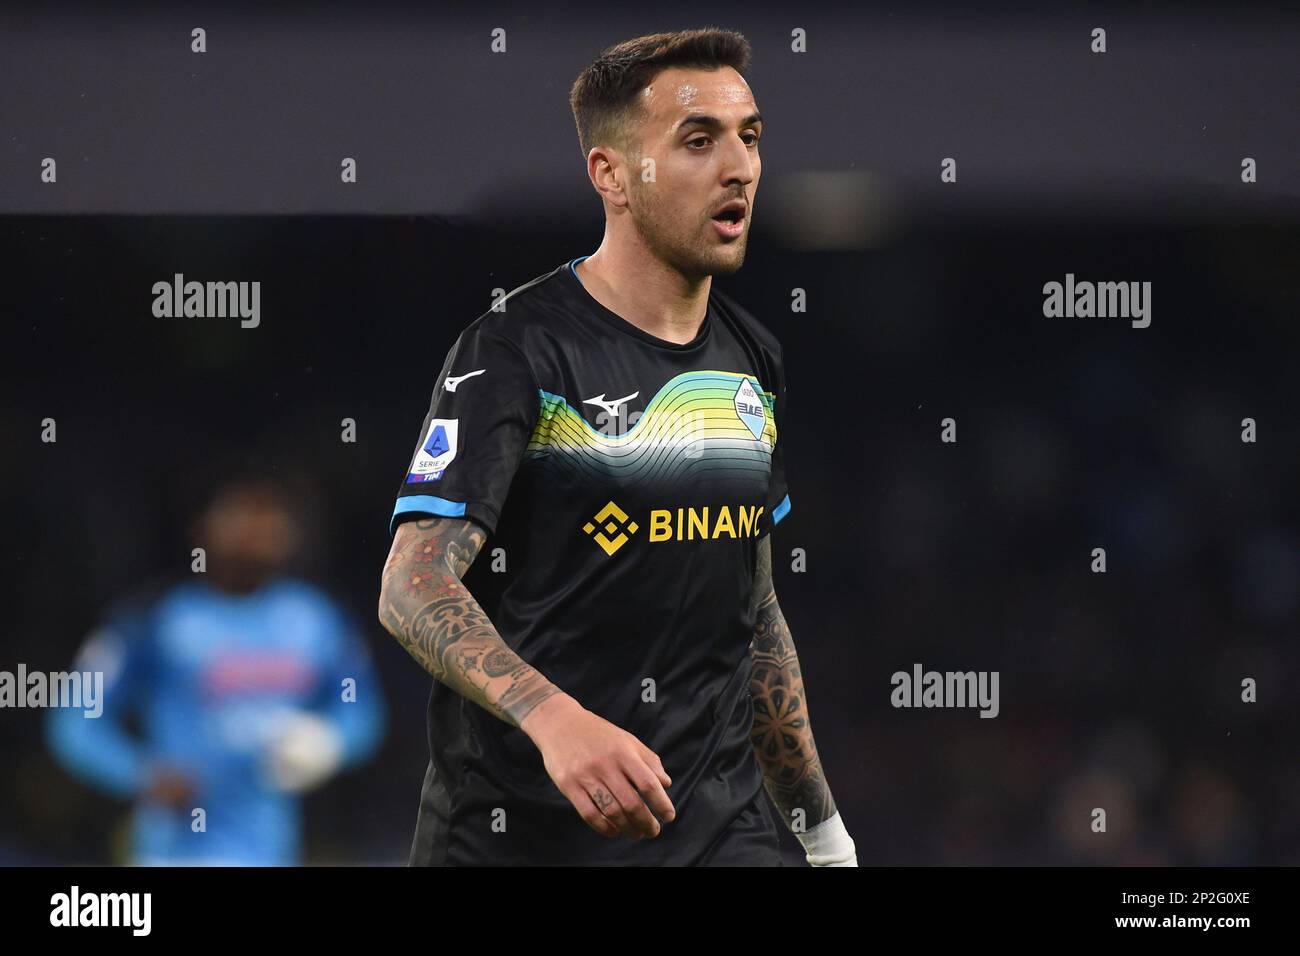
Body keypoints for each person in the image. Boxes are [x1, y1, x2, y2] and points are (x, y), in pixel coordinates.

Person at [378, 28, 855, 866]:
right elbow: (412, 584)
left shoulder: (753, 360)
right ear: (612, 176)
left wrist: (821, 834)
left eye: (749, 136)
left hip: (718, 832)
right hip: (516, 839)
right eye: (697, 140)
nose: (739, 165)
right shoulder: (515, 350)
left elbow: (757, 617)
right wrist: (553, 717)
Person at [48, 477, 386, 865]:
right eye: (241, 517)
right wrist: (141, 775)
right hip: (174, 853)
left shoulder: (317, 619)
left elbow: (363, 712)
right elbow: (75, 720)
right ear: (204, 527)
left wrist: (328, 743)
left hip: (270, 850)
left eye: (270, 521)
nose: (257, 533)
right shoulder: (155, 617)